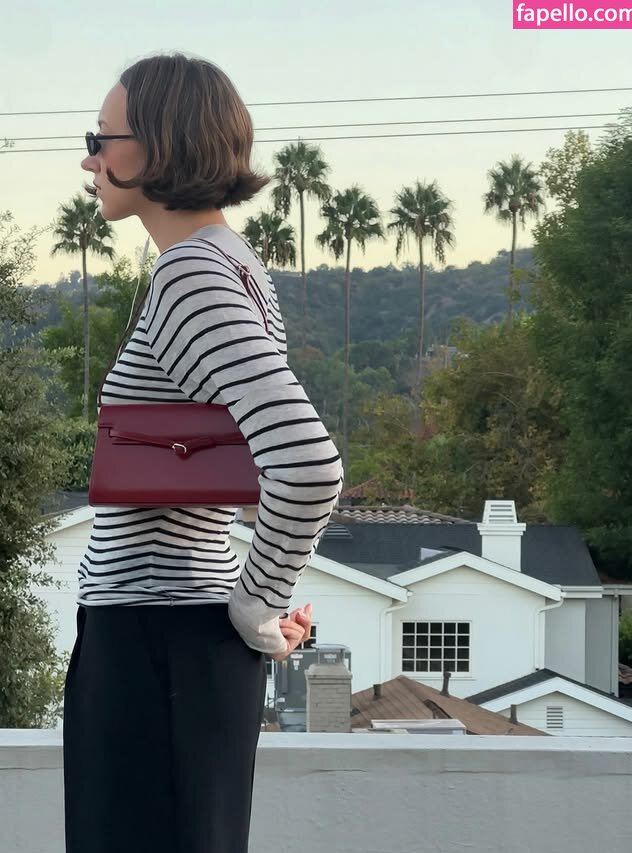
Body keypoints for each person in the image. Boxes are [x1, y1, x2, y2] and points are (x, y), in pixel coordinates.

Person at [65, 52, 344, 853]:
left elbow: (305, 462)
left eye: (101, 138)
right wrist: (250, 595)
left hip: (156, 647)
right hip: (175, 645)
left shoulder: (193, 273)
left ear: (159, 145)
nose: (89, 160)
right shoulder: (232, 263)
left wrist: (256, 605)